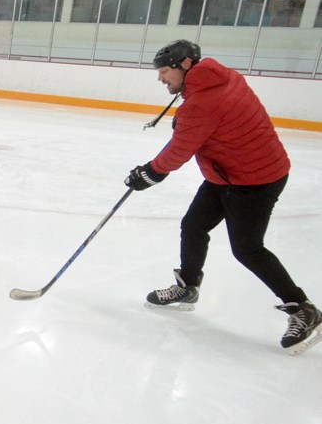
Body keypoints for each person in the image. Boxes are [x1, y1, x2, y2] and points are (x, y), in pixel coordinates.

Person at [125, 39, 321, 355]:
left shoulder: (202, 103)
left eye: (164, 71)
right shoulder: (223, 76)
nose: (161, 78)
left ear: (185, 65)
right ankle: (188, 287)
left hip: (254, 179)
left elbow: (178, 152)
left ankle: (303, 309)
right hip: (228, 173)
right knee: (193, 225)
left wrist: (148, 173)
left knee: (247, 249)